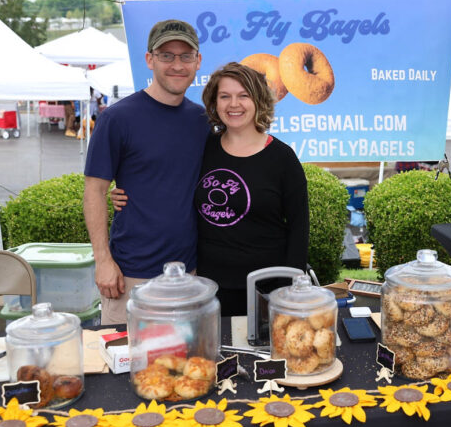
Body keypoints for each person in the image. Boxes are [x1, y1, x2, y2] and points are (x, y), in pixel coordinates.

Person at [112, 63, 310, 317]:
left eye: (243, 96)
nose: (233, 104)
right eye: (225, 96)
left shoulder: (282, 158)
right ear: (214, 103)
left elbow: (298, 226)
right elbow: (168, 180)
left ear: (259, 100)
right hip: (206, 288)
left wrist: (288, 290)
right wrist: (126, 192)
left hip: (266, 288)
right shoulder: (203, 148)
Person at [83, 19, 208, 325]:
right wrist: (103, 261)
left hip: (187, 274)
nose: (176, 65)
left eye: (185, 56)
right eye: (166, 55)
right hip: (130, 276)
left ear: (197, 61)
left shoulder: (202, 120)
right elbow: (95, 191)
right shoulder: (117, 118)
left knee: (183, 365)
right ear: (150, 59)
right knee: (126, 367)